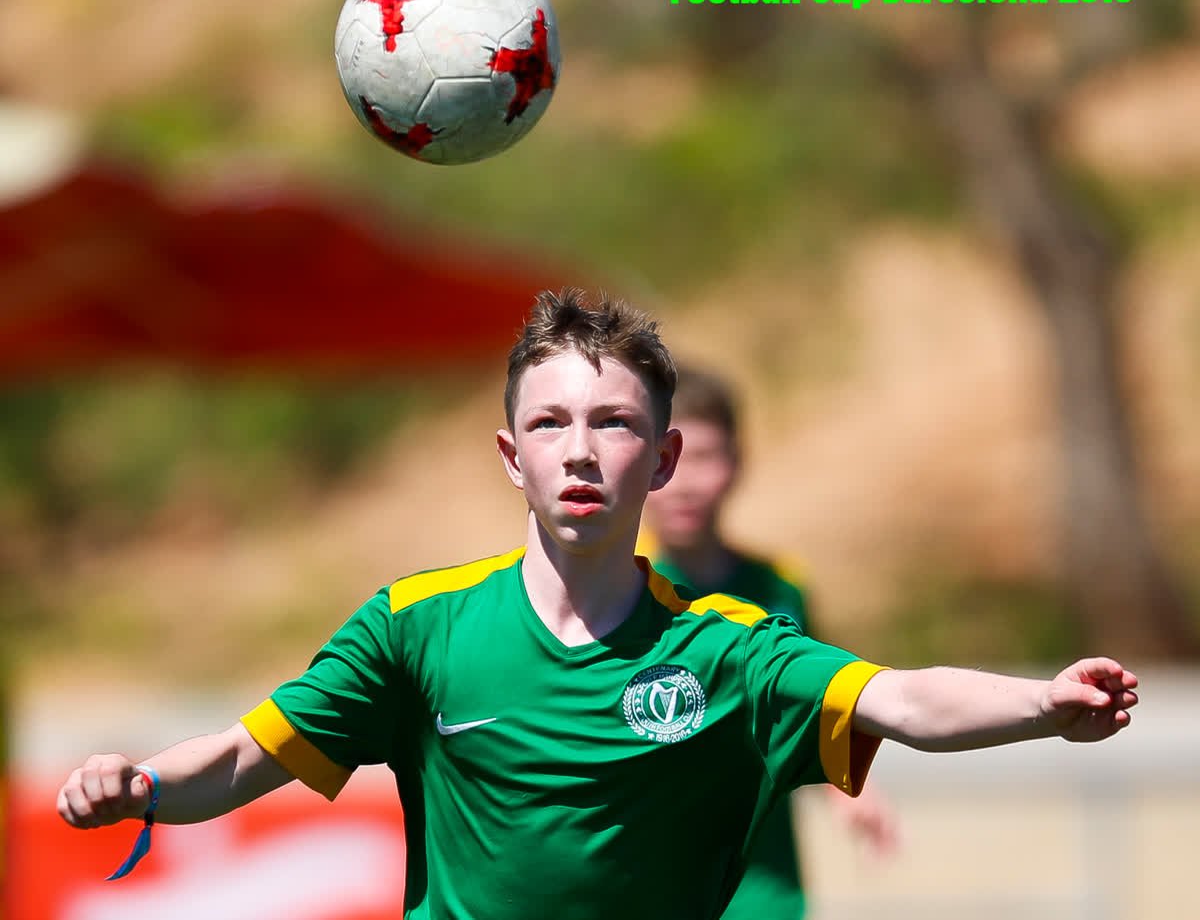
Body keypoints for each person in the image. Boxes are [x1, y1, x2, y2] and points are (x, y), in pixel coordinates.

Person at [58, 288, 1138, 920]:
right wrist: (142, 785)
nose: (580, 449)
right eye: (550, 423)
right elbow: (248, 759)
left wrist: (1046, 703)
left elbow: (904, 698)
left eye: (615, 423)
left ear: (663, 457)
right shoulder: (414, 626)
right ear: (509, 454)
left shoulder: (730, 649)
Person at [640, 364, 897, 919]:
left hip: (761, 882)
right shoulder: (611, 591)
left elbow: (811, 703)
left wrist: (847, 790)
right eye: (668, 459)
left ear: (736, 463)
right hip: (646, 875)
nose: (684, 481)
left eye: (703, 457)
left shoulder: (780, 585)